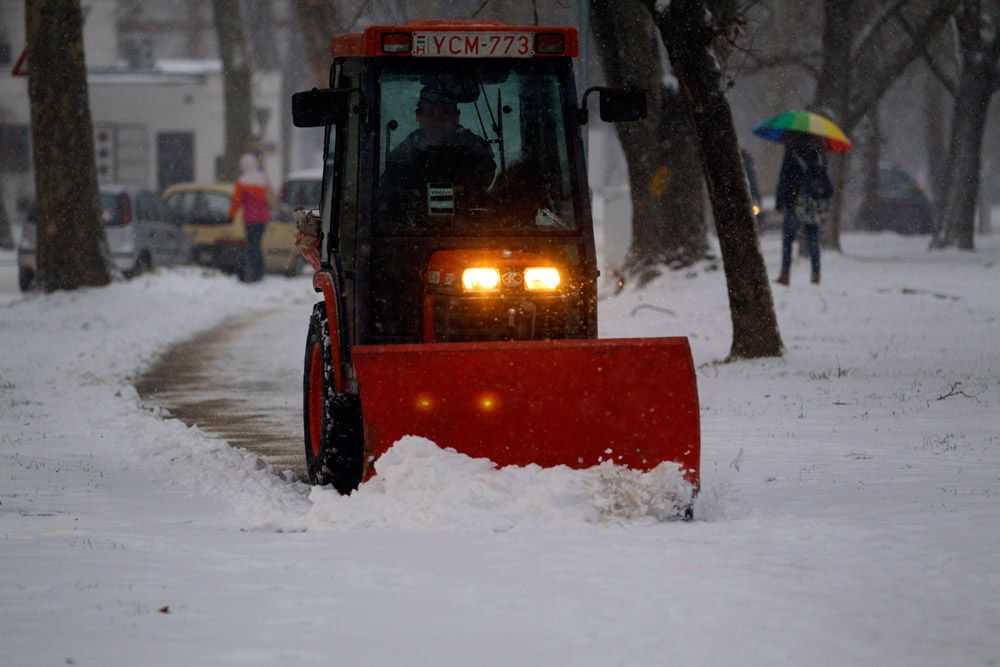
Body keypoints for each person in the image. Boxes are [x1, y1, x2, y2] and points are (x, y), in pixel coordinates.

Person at [380, 86, 496, 223]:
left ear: (456, 116)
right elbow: (389, 197)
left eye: (445, 112)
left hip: (471, 231)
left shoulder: (477, 152)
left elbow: (484, 187)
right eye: (430, 113)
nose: (437, 119)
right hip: (412, 232)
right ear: (419, 116)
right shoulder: (402, 157)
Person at [774, 135, 833, 285]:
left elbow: (784, 177)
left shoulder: (792, 151)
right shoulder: (819, 152)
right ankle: (816, 273)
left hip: (793, 200)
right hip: (811, 201)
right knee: (813, 238)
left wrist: (780, 202)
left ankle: (785, 274)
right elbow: (823, 178)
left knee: (788, 239)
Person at [228, 153, 273, 282]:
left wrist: (231, 215)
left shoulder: (242, 182)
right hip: (263, 218)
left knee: (252, 245)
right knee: (256, 244)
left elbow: (236, 201)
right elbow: (270, 198)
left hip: (250, 219)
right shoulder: (263, 179)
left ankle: (255, 272)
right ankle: (259, 271)